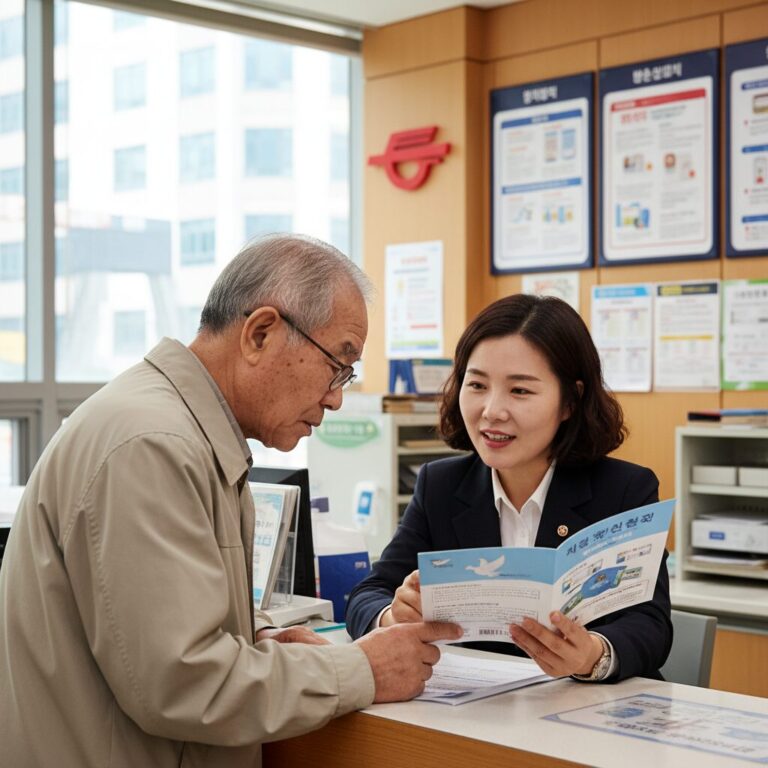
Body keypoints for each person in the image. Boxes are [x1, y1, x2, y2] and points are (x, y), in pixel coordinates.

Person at [0, 234, 461, 768]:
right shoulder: (154, 445)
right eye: (338, 364)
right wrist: (362, 670)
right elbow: (182, 684)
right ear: (260, 333)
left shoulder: (183, 431)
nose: (336, 396)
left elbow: (164, 622)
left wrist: (262, 635)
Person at [346, 293, 672, 682]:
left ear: (570, 401)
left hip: (583, 711)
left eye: (520, 391)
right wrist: (392, 616)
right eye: (478, 385)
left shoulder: (624, 490)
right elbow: (366, 596)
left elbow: (650, 624)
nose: (492, 411)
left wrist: (593, 655)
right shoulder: (441, 485)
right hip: (472, 711)